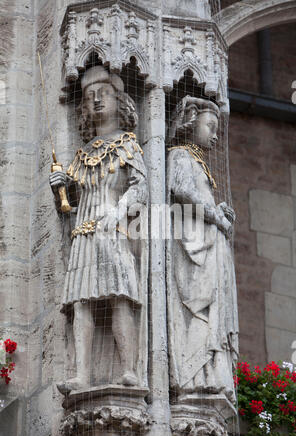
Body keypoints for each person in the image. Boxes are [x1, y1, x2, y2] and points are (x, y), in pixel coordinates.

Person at [49, 66, 148, 393]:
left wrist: (120, 211)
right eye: (90, 97)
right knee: (81, 301)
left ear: (119, 101)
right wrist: (60, 187)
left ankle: (129, 369)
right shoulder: (83, 155)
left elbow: (141, 187)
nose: (95, 100)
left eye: (103, 94)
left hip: (113, 228)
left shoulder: (128, 144)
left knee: (119, 297)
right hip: (84, 231)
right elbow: (70, 202)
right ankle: (82, 374)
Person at [167, 96, 239, 403]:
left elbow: (197, 198)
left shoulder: (197, 160)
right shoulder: (180, 154)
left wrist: (216, 210)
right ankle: (192, 375)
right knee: (198, 307)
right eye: (210, 126)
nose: (214, 134)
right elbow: (180, 191)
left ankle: (211, 375)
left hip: (208, 243)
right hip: (192, 246)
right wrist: (214, 215)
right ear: (191, 122)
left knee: (210, 312)